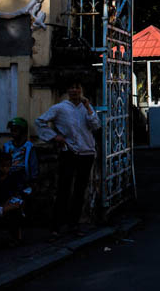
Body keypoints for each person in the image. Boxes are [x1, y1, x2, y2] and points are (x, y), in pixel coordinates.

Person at [36, 81, 101, 236]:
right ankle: (56, 227)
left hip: (87, 153)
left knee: (79, 191)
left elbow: (96, 125)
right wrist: (54, 137)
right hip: (69, 153)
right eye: (71, 87)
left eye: (77, 87)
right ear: (67, 90)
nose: (74, 90)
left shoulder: (86, 108)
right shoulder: (60, 108)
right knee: (63, 190)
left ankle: (74, 224)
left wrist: (88, 107)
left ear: (82, 90)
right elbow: (40, 122)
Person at [1, 117, 39, 196]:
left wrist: (33, 180)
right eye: (12, 130)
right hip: (9, 176)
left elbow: (33, 164)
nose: (13, 132)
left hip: (23, 177)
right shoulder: (7, 146)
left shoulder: (29, 147)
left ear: (22, 131)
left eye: (16, 130)